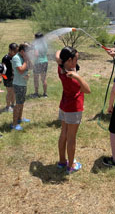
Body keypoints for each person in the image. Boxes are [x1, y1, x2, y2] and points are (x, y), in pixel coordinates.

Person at [55, 46, 91, 174]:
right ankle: (71, 166)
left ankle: (61, 161)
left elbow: (57, 53)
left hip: (64, 106)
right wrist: (77, 76)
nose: (77, 61)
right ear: (69, 60)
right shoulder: (73, 78)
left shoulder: (60, 68)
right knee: (71, 138)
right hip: (73, 109)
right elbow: (87, 90)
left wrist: (62, 59)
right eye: (76, 59)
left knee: (63, 134)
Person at [11, 43, 30, 131]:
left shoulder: (23, 57)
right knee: (18, 104)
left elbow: (32, 67)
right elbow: (21, 70)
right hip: (18, 85)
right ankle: (14, 124)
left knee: (21, 103)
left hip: (23, 84)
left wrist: (28, 59)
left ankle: (19, 118)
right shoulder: (16, 58)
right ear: (22, 51)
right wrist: (26, 61)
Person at [1, 43, 18, 112]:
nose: (16, 53)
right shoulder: (6, 58)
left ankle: (13, 104)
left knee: (13, 92)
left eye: (17, 51)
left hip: (14, 77)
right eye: (14, 51)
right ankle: (7, 107)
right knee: (9, 92)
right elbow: (2, 69)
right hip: (7, 78)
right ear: (10, 50)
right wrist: (1, 77)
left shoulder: (15, 57)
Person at [33, 32, 48, 98]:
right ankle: (45, 94)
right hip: (45, 61)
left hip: (38, 62)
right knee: (43, 79)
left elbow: (36, 54)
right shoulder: (45, 44)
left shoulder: (36, 45)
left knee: (36, 78)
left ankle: (36, 93)